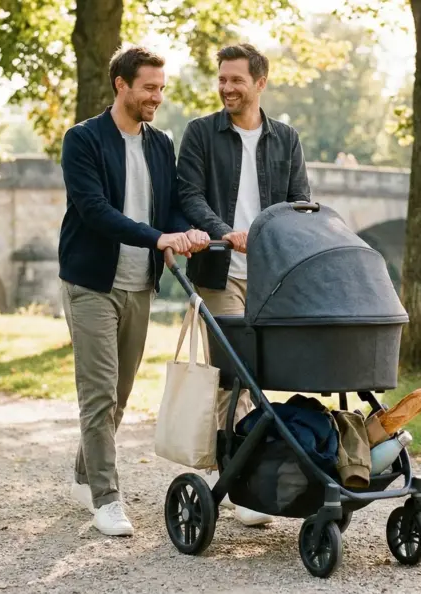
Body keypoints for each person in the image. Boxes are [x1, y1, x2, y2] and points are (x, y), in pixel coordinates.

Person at [58, 45, 210, 537]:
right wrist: (157, 237)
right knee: (99, 394)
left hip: (139, 284)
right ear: (120, 85)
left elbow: (168, 207)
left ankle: (84, 474)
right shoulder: (83, 140)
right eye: (148, 87)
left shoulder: (160, 143)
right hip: (91, 284)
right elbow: (94, 210)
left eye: (161, 88)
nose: (157, 97)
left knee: (119, 395)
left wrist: (181, 232)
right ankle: (106, 498)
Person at [175, 43, 312, 527]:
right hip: (219, 271)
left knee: (262, 374)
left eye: (236, 79)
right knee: (232, 377)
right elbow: (188, 194)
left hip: (270, 277)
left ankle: (254, 471)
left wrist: (273, 240)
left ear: (260, 83)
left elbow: (300, 202)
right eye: (222, 79)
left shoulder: (286, 139)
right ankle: (238, 482)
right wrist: (224, 232)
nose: (227, 87)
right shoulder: (200, 133)